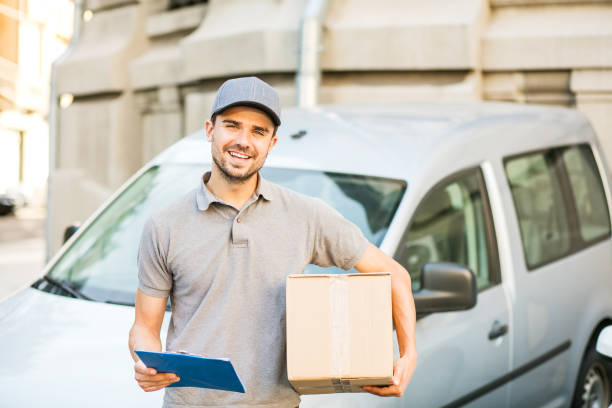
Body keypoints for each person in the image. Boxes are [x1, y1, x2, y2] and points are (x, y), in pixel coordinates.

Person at [128, 76, 417, 408]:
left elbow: (396, 276)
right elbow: (143, 326)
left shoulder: (307, 215)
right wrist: (144, 362)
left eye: (258, 131)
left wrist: (408, 355)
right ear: (210, 130)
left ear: (272, 143)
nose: (243, 141)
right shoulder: (165, 225)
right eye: (232, 126)